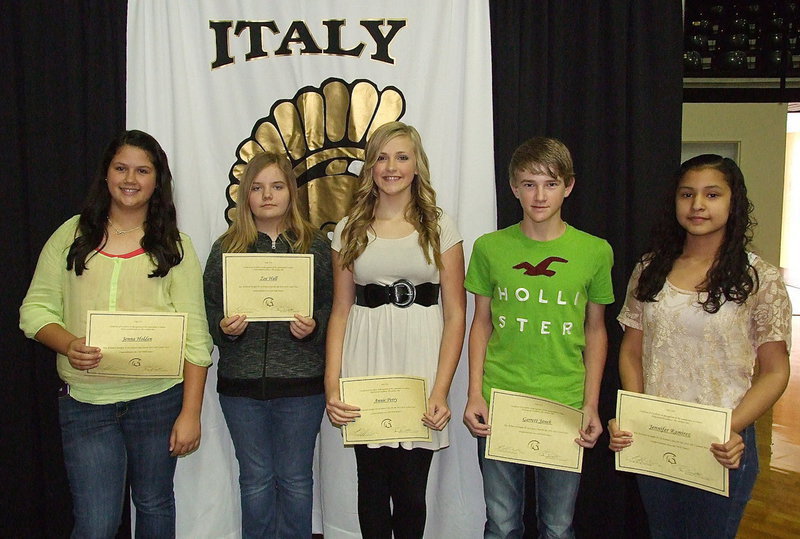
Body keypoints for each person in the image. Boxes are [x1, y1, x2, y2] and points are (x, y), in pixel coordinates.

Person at [19, 129, 212, 538]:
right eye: (121, 167)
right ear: (105, 174)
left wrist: (191, 413)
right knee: (96, 522)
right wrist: (68, 344)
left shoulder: (176, 247)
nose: (130, 179)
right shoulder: (71, 236)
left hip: (158, 401)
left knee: (155, 505)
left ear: (157, 181)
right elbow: (34, 310)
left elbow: (196, 338)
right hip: (86, 404)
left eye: (143, 170)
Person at [608, 154, 792, 539]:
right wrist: (636, 413)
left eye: (712, 194)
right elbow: (630, 351)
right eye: (687, 194)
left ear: (733, 202)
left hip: (723, 446)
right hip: (656, 439)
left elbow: (776, 371)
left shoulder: (759, 277)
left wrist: (732, 427)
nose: (697, 205)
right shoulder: (650, 268)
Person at [463, 136, 614, 538]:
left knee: (559, 526)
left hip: (564, 403)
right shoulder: (489, 248)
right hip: (501, 401)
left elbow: (596, 330)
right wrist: (474, 393)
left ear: (569, 186)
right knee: (502, 523)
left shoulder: (595, 251)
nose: (540, 195)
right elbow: (481, 323)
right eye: (529, 184)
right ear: (513, 188)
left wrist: (591, 404)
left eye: (550, 183)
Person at [324, 121, 466, 538]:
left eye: (402, 157)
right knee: (370, 483)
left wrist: (440, 390)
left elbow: (455, 313)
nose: (391, 167)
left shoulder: (440, 226)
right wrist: (333, 385)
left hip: (419, 364)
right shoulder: (349, 227)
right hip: (365, 361)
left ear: (417, 165)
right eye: (382, 157)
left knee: (410, 490)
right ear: (369, 167)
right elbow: (340, 311)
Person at [203, 151, 332, 538]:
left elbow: (333, 305)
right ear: (245, 196)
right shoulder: (226, 247)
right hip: (241, 387)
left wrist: (315, 327)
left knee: (295, 480)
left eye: (276, 186)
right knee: (255, 480)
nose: (267, 196)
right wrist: (224, 328)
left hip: (302, 386)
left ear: (291, 192)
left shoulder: (317, 245)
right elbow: (209, 307)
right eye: (257, 188)